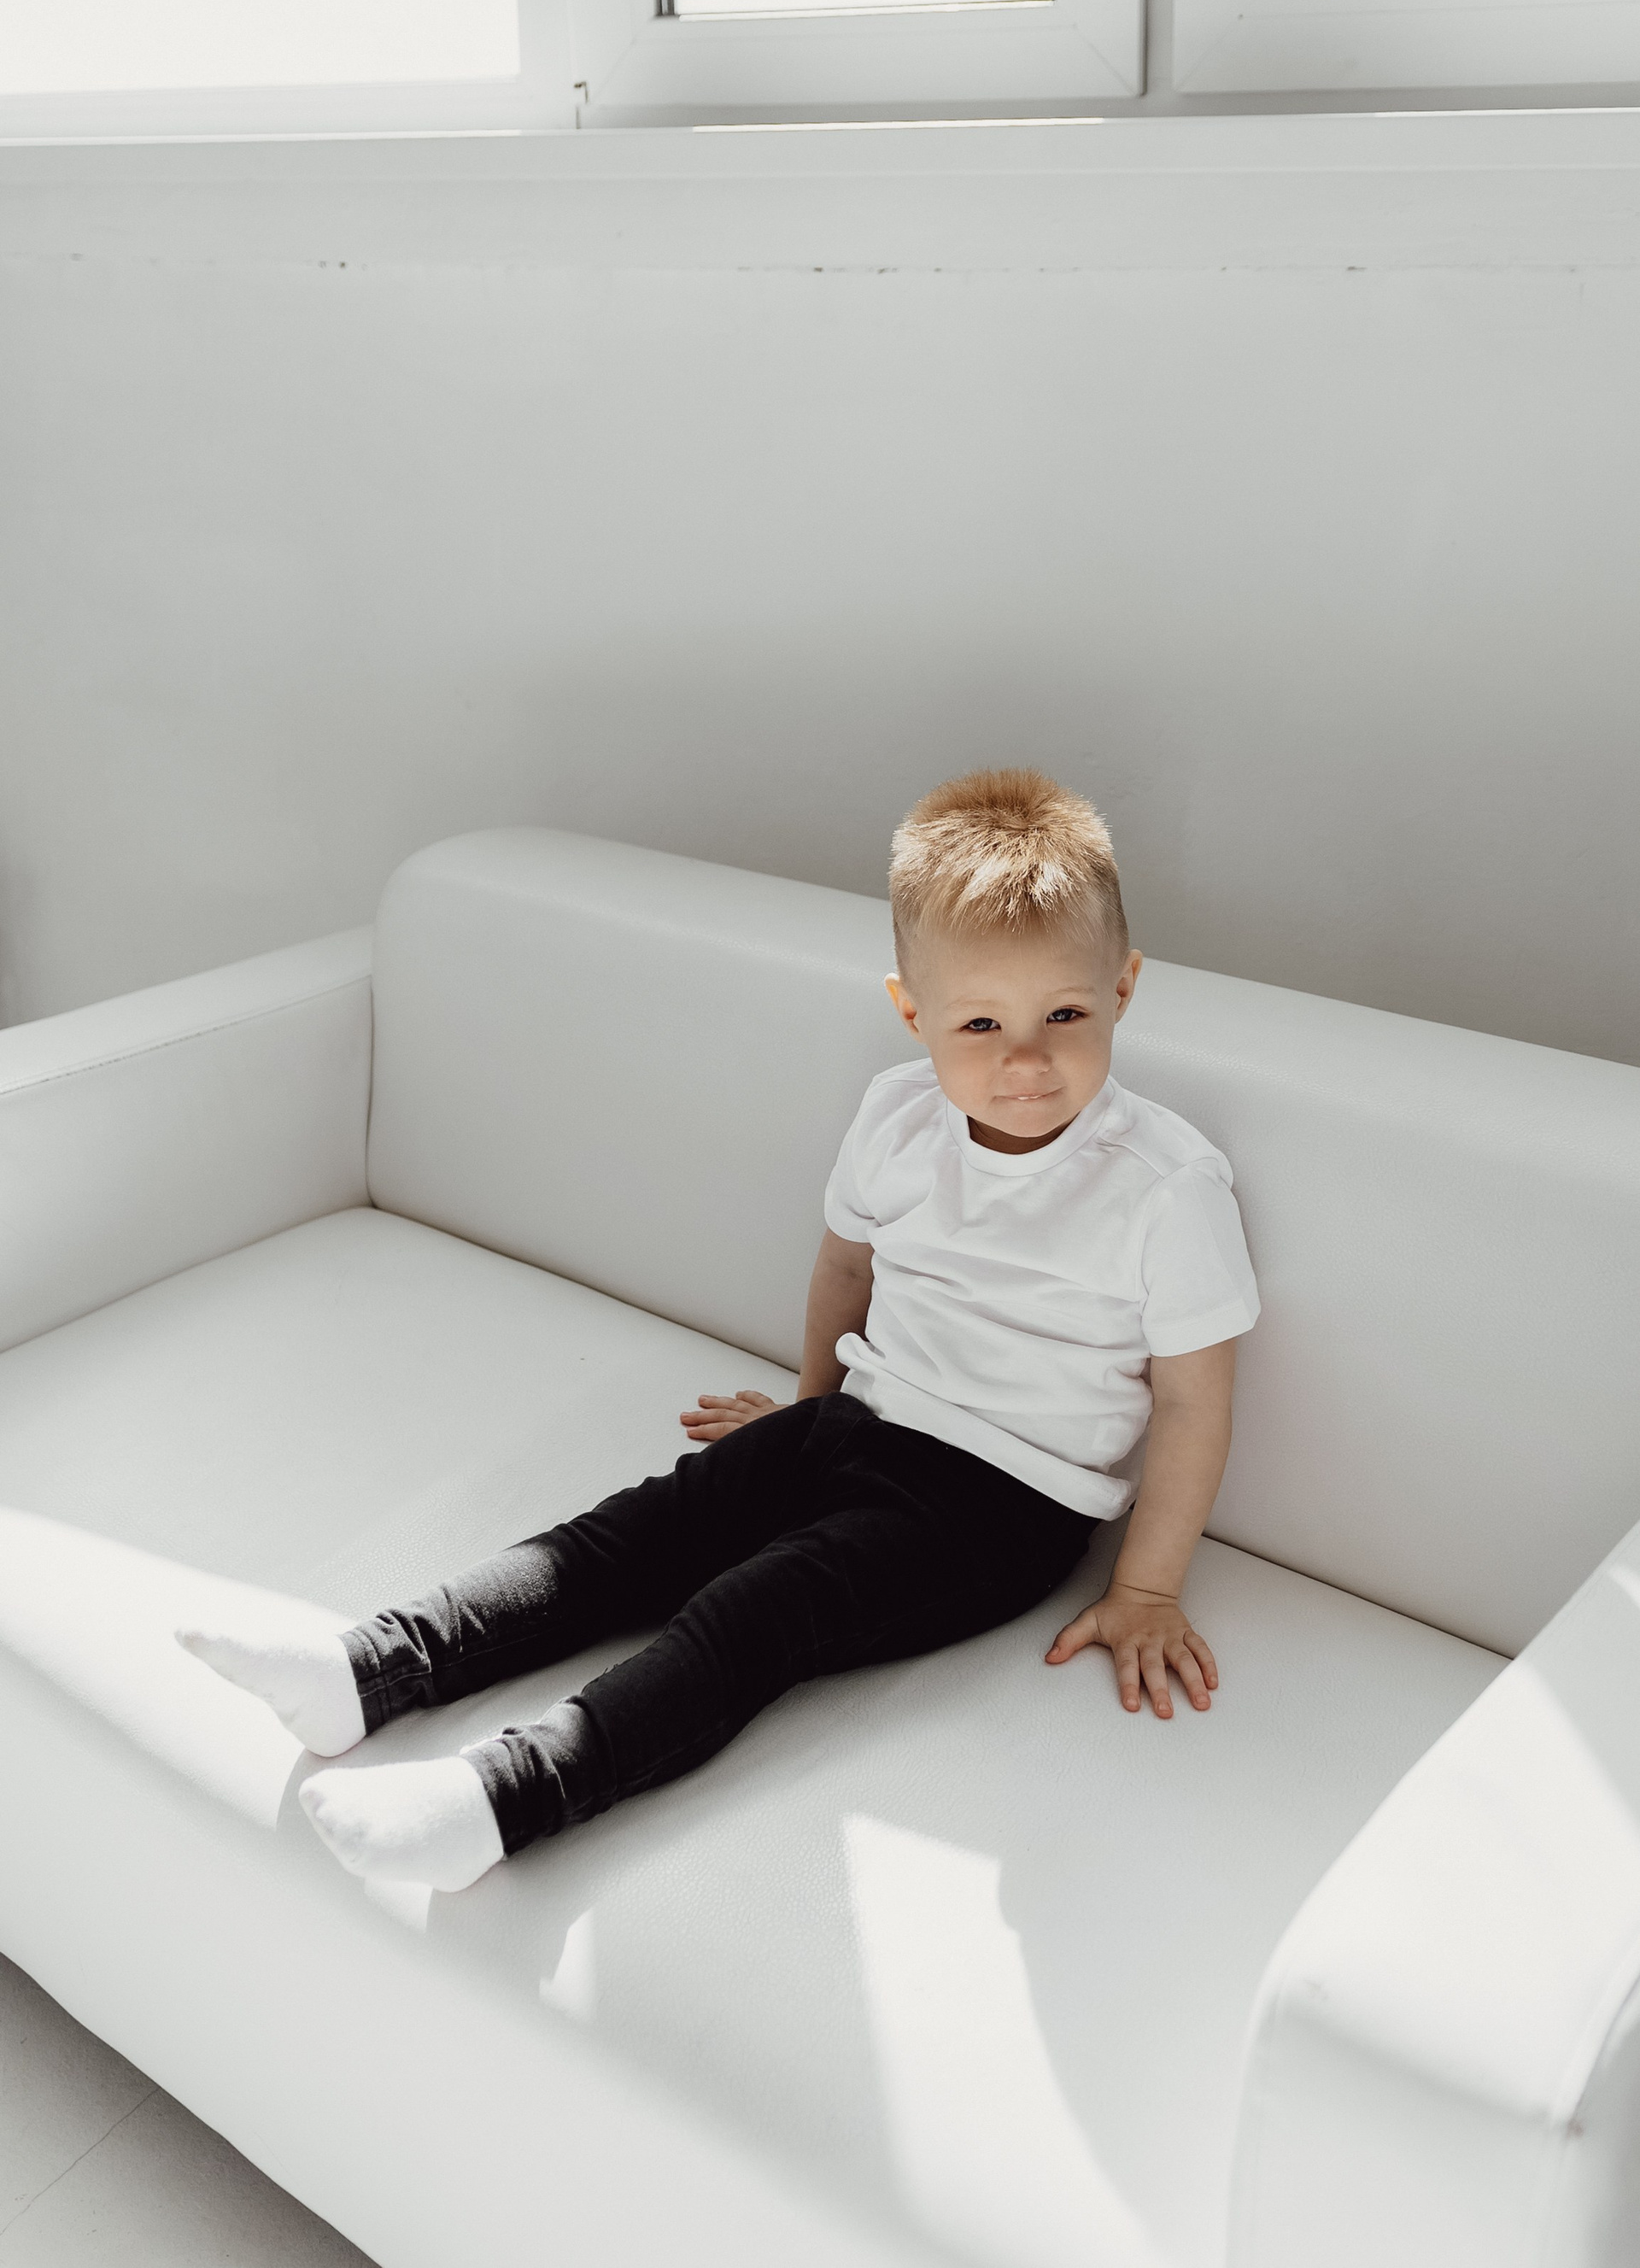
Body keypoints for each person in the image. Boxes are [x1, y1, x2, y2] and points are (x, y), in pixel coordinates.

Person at [179, 767, 1259, 1893]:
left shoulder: (1165, 1187)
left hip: (1005, 1501)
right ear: (913, 1013)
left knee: (761, 1607)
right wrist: (807, 1416)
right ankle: (366, 1669)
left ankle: (500, 1800)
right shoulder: (897, 1117)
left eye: (1065, 1016)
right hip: (865, 1423)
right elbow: (847, 1268)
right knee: (634, 1533)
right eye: (980, 1023)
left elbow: (1194, 1401)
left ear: (1123, 989)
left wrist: (1146, 1588)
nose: (1024, 1061)